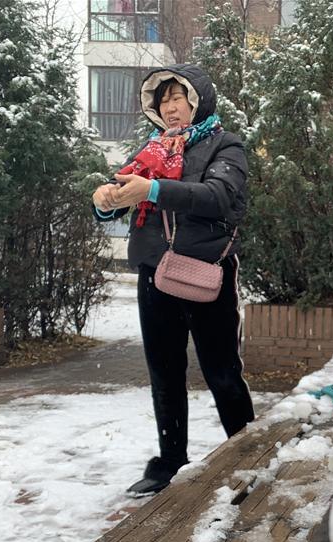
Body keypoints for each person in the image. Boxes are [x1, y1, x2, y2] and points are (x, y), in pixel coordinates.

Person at [92, 64, 255, 495]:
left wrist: (154, 190)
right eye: (162, 101)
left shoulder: (226, 146)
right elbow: (124, 199)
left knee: (222, 372)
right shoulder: (150, 152)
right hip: (155, 272)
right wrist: (106, 201)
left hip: (207, 274)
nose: (170, 108)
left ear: (198, 100)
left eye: (178, 98)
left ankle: (248, 457)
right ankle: (169, 462)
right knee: (164, 371)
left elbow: (218, 198)